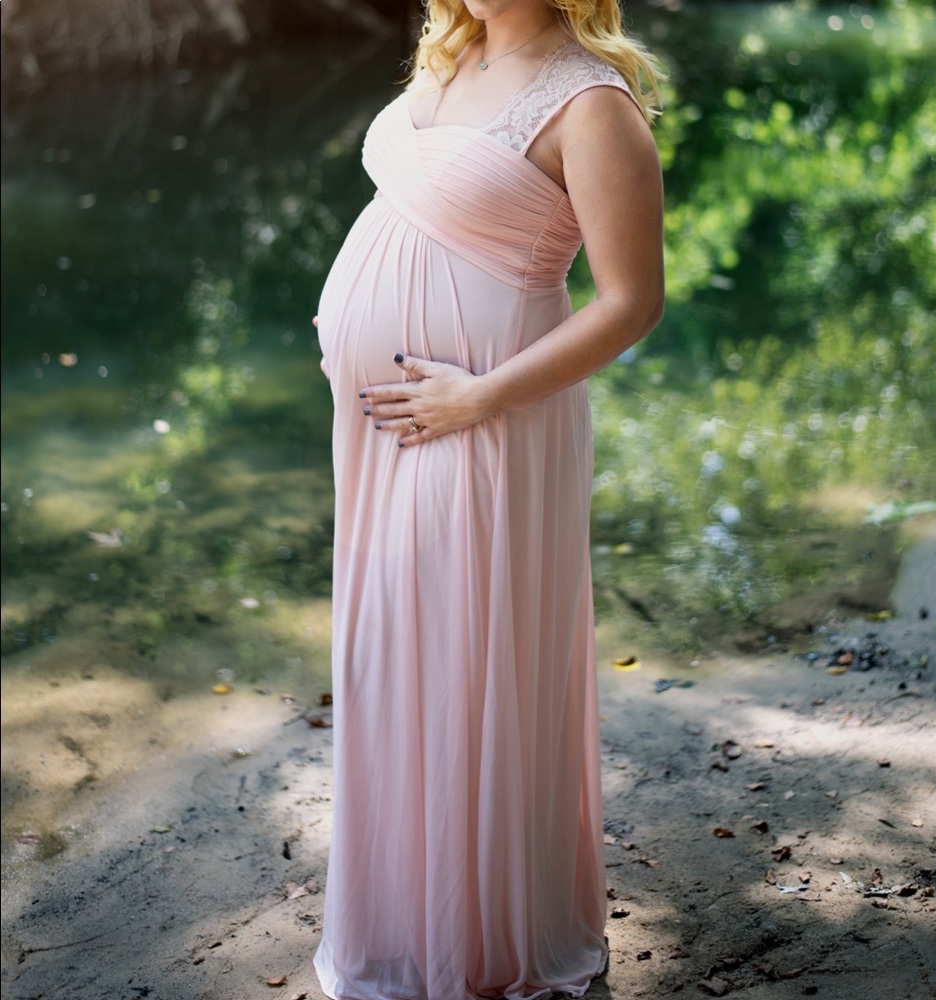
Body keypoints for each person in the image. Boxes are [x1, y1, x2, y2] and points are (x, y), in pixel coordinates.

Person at [312, 1, 664, 997]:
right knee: (392, 651)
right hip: (389, 429)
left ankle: (482, 942)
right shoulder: (451, 55)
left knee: (468, 657)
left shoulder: (591, 104)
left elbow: (632, 301)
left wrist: (478, 396)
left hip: (488, 418)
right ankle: (400, 920)